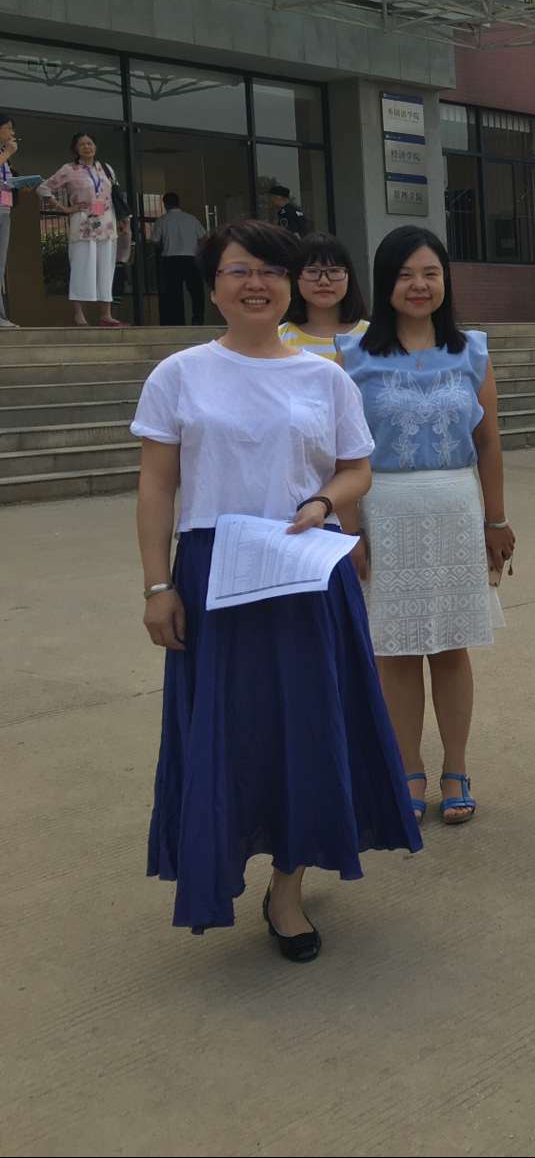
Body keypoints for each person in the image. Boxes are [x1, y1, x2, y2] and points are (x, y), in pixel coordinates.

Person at [132, 219, 421, 960]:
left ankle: (288, 888)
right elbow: (157, 484)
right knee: (230, 727)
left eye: (270, 270)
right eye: (239, 270)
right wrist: (158, 584)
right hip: (214, 572)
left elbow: (357, 467)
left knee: (309, 725)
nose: (255, 283)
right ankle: (222, 859)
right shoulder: (179, 374)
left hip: (303, 568)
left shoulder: (324, 377)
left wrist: (325, 501)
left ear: (290, 287)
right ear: (214, 286)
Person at [340, 226, 513, 828]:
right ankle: (407, 769)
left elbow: (488, 442)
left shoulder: (473, 351)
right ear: (385, 283)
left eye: (430, 273)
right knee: (394, 649)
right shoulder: (352, 355)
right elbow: (344, 452)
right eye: (405, 274)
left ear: (446, 281)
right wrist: (351, 532)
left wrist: (496, 519)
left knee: (450, 645)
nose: (419, 285)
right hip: (383, 509)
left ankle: (456, 768)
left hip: (455, 508)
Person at [39, 131, 122, 327]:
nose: (87, 147)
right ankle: (79, 314)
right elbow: (43, 188)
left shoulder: (106, 168)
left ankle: (105, 313)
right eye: (82, 144)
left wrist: (124, 221)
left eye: (90, 143)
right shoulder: (69, 169)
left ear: (95, 146)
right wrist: (64, 208)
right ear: (75, 148)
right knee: (81, 266)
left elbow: (116, 195)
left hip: (106, 221)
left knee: (106, 267)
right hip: (83, 221)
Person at [279, 232, 370, 361]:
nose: (324, 281)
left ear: (349, 277)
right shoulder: (278, 338)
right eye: (312, 271)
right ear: (295, 277)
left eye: (334, 271)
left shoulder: (372, 336)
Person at [153, 193, 207, 326]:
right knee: (196, 291)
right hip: (191, 258)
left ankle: (177, 322)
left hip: (170, 259)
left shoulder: (162, 220)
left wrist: (165, 246)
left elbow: (155, 241)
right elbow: (202, 238)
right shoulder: (191, 219)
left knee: (173, 293)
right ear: (179, 202)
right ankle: (197, 319)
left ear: (165, 204)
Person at [0, 112, 24, 328]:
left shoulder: (4, 154)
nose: (12, 132)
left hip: (4, 210)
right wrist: (7, 152)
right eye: (8, 127)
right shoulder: (5, 153)